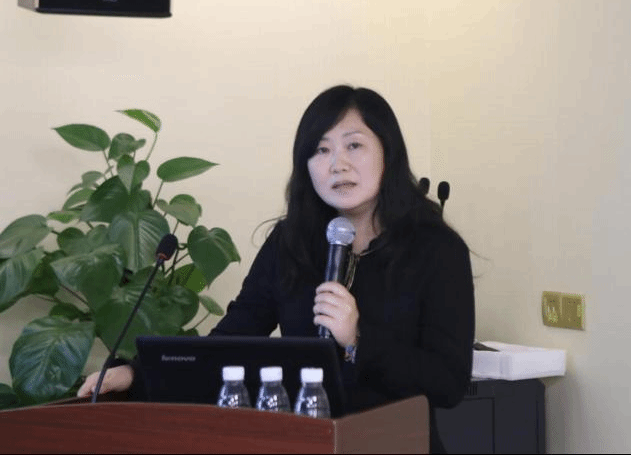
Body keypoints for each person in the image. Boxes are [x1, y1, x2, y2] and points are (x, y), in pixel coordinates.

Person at [78, 85, 475, 452]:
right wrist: (137, 373)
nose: (338, 164)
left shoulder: (436, 250)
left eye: (354, 145)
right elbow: (233, 337)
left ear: (388, 151)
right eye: (320, 150)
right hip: (302, 444)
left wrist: (357, 338)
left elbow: (448, 383)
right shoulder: (290, 242)